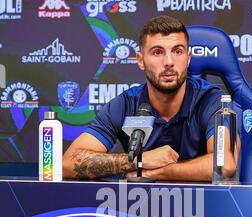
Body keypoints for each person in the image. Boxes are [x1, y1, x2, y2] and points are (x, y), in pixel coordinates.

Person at [63, 15, 238, 181]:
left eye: (178, 51)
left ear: (188, 58)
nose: (169, 62)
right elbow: (67, 164)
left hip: (203, 207)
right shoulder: (126, 104)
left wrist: (157, 172)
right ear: (140, 60)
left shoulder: (211, 101)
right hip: (140, 206)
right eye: (157, 52)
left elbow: (225, 165)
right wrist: (138, 160)